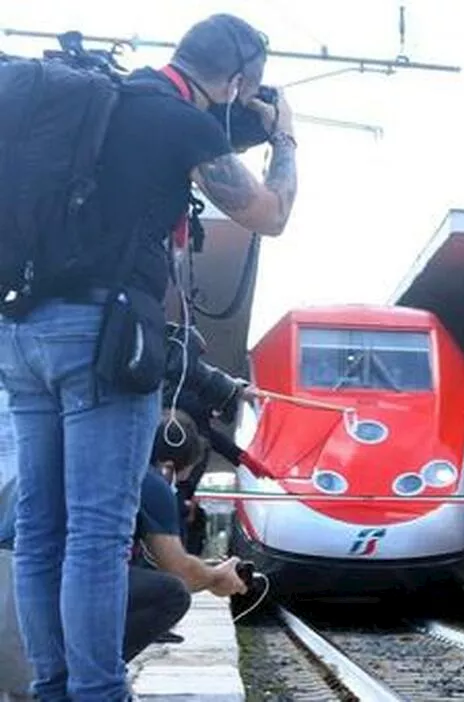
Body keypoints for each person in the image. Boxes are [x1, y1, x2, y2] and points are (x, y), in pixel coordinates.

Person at [0, 14, 296, 699]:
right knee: (98, 533)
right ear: (240, 80)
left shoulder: (104, 101)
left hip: (21, 333)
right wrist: (283, 136)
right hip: (102, 341)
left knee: (44, 530)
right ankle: (99, 693)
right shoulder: (176, 121)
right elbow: (269, 212)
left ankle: (54, 689)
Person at [1, 410, 247, 698]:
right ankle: (92, 676)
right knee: (171, 593)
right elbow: (182, 572)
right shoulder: (146, 478)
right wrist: (218, 576)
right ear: (168, 467)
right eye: (180, 480)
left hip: (18, 590)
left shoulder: (66, 460)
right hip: (25, 616)